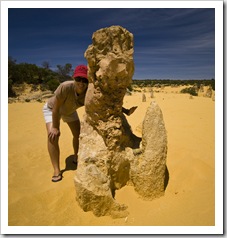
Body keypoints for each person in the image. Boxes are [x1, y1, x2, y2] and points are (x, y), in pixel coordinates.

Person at [43, 64, 137, 182]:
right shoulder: (65, 87)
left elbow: (106, 102)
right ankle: (56, 170)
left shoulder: (89, 92)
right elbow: (56, 109)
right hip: (52, 109)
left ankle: (76, 157)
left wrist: (126, 111)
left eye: (84, 80)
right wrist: (55, 127)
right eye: (78, 79)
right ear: (74, 78)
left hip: (70, 111)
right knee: (53, 136)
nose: (81, 83)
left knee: (78, 135)